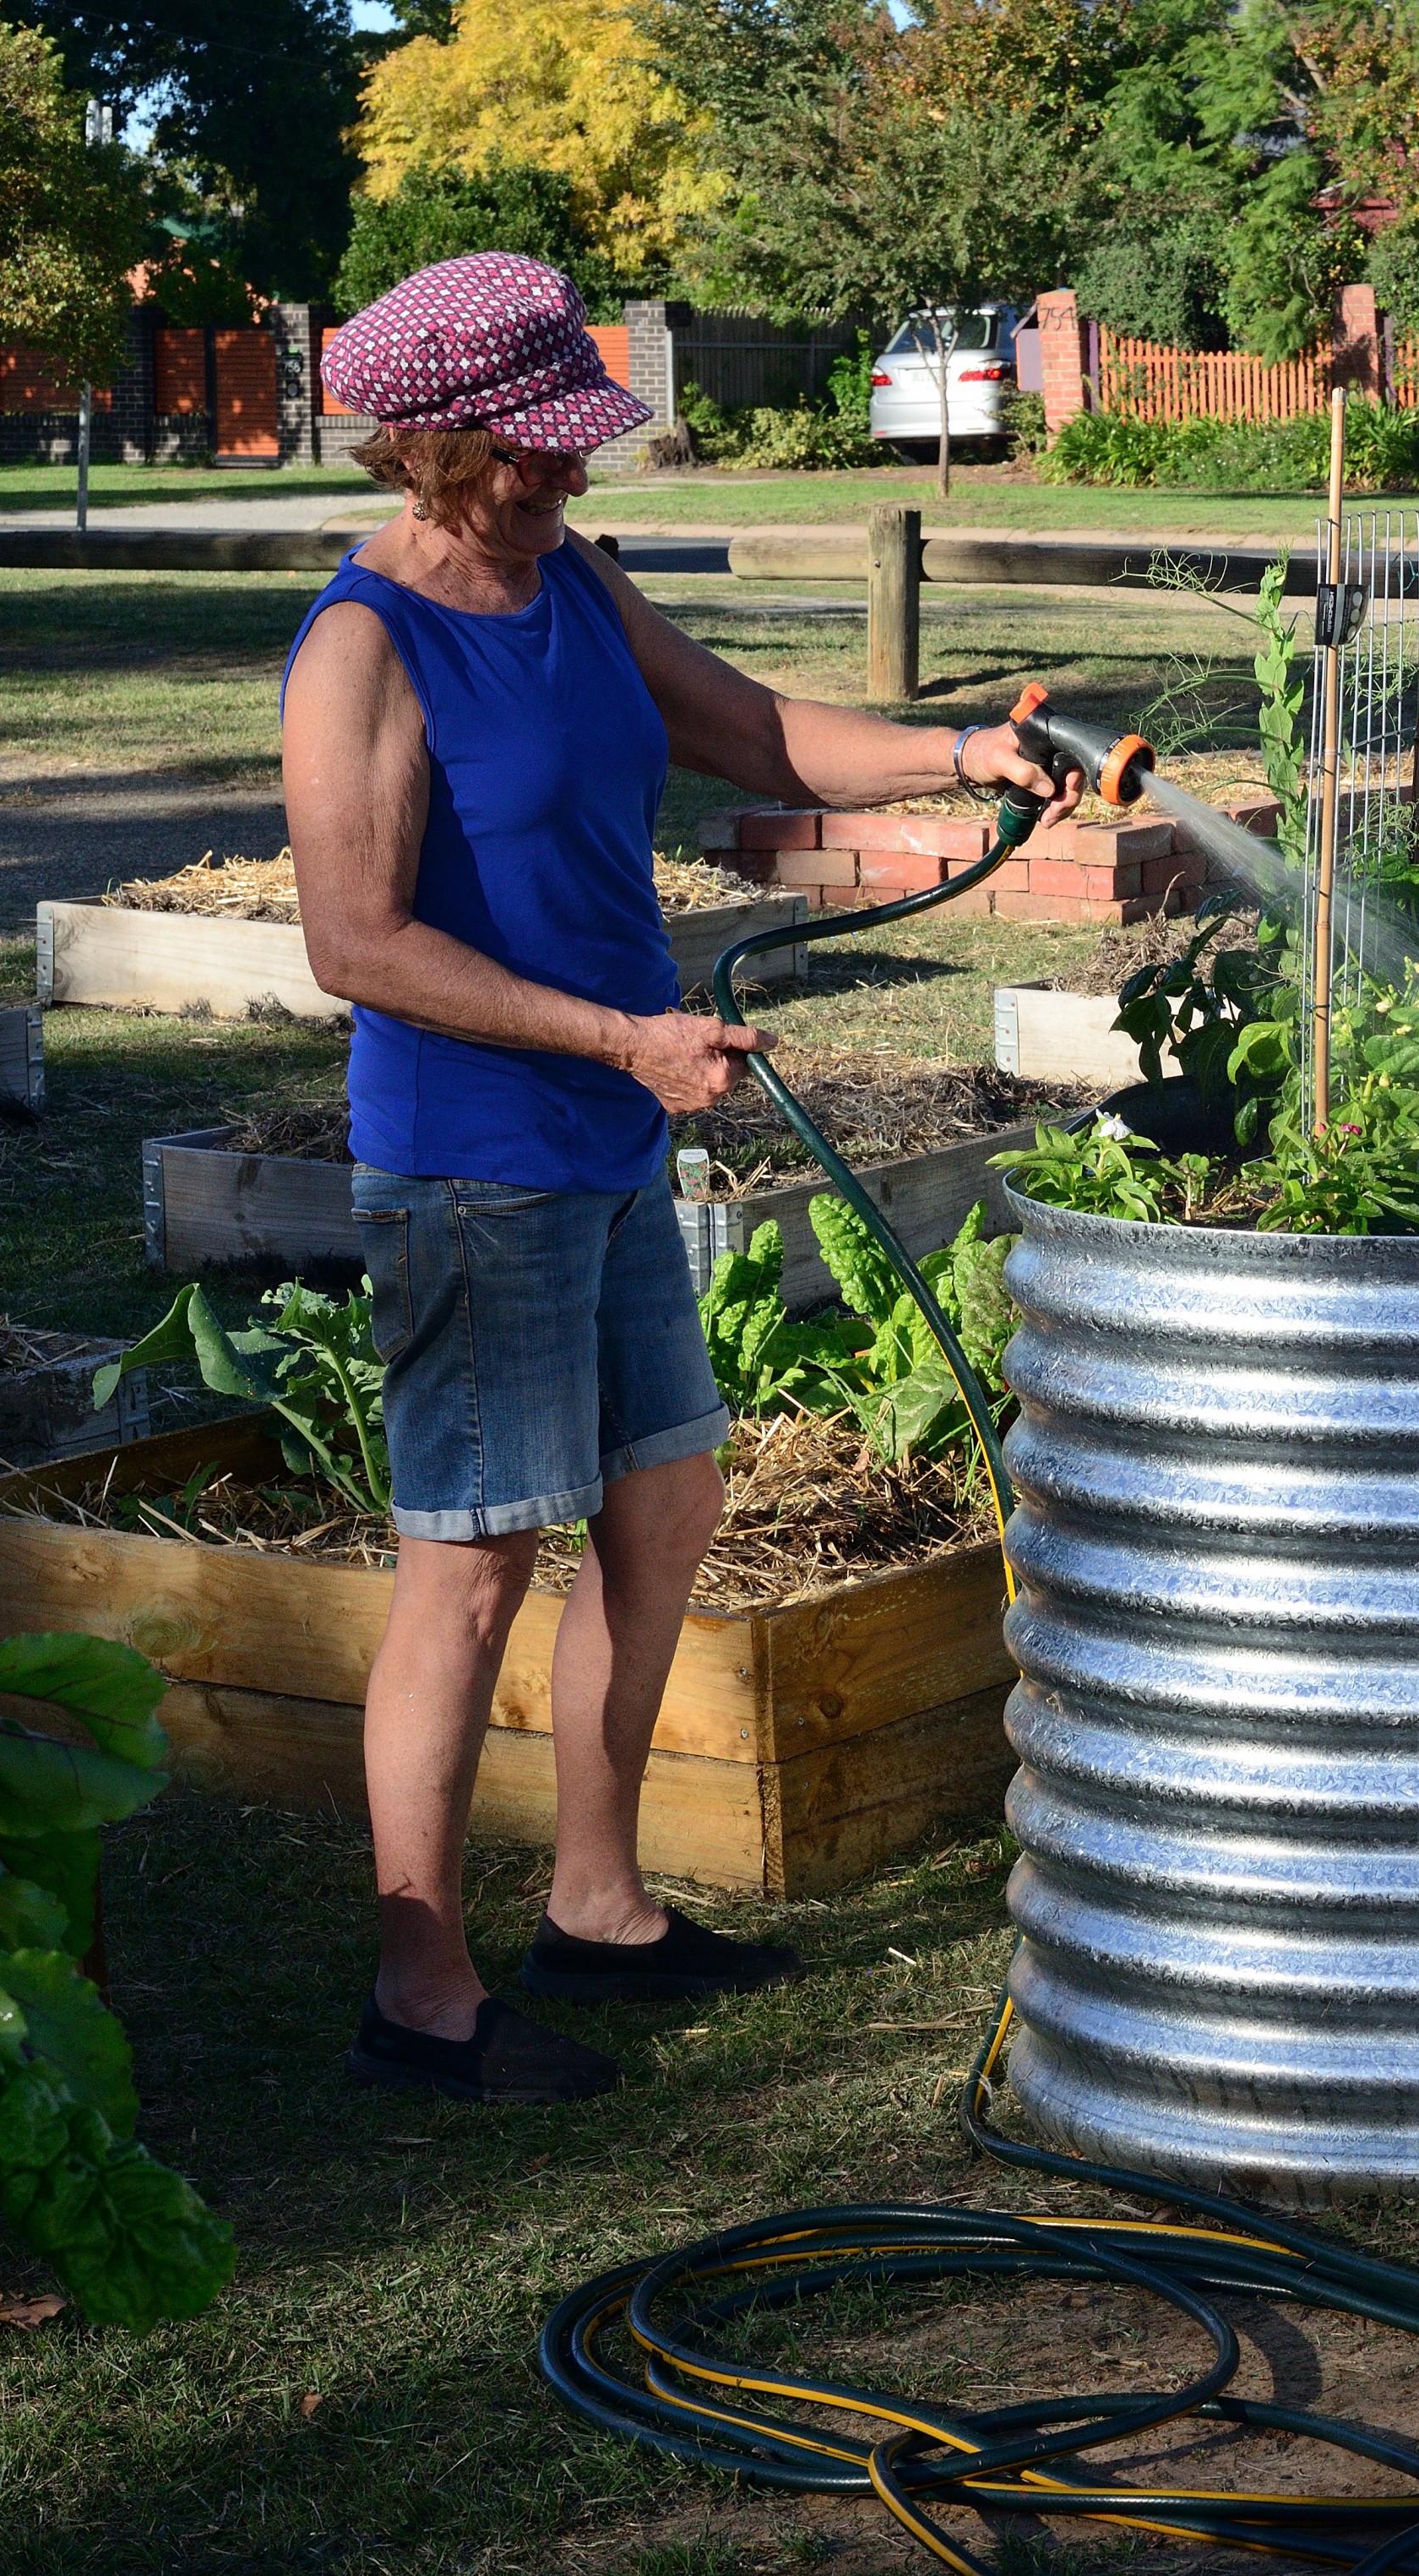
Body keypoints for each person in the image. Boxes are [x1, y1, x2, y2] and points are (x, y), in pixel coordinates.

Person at [281, 253, 1073, 2106]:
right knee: (468, 1573)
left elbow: (759, 735)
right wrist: (622, 1035)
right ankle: (420, 1986)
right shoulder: (364, 645)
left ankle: (598, 1901)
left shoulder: (570, 582)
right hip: (475, 1160)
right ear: (436, 442)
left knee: (662, 1505)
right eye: (535, 452)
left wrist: (969, 752)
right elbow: (355, 943)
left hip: (612, 1137)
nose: (571, 479)